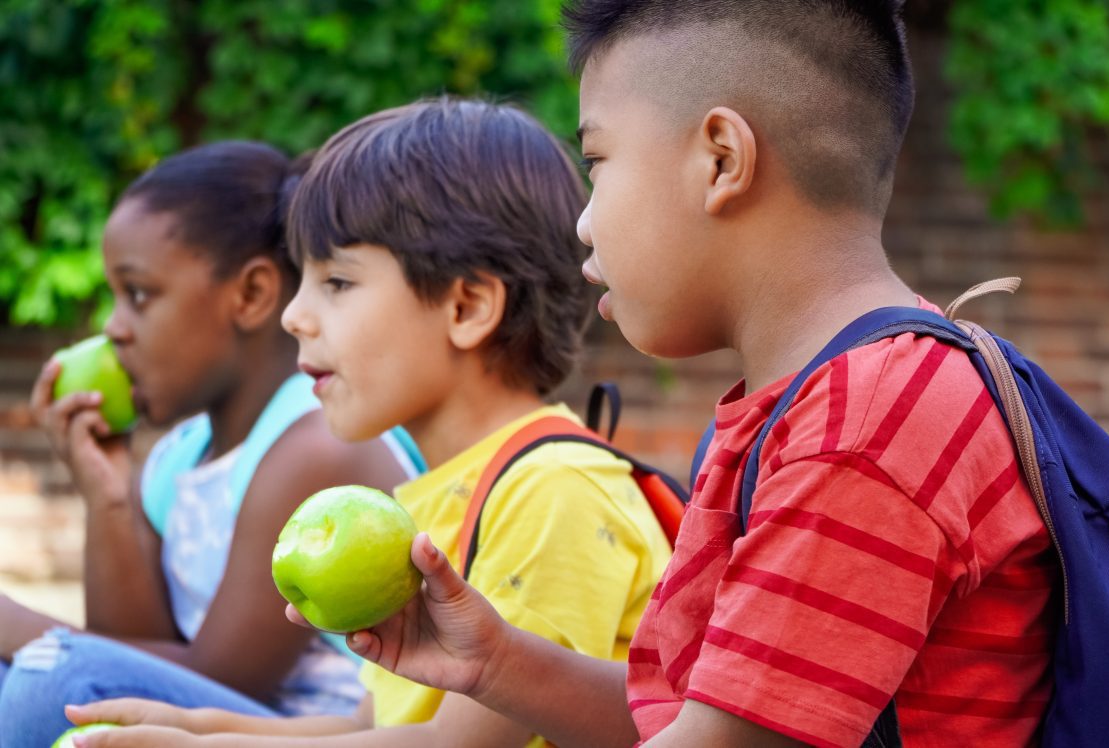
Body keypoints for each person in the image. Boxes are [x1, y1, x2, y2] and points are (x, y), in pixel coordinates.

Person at [74, 3, 1064, 747]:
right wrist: (497, 663)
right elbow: (678, 721)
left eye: (598, 163)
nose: (582, 220)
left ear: (720, 159)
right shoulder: (799, 409)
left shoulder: (868, 417)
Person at [64, 97, 673, 747]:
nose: (295, 316)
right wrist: (195, 724)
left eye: (337, 283)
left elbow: (453, 746)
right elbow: (371, 726)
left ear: (466, 307)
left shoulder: (553, 490)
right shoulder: (437, 494)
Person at [0, 141, 423, 748]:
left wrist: (24, 626)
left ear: (250, 296)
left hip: (309, 733)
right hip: (217, 719)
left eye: (139, 294)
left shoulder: (313, 443)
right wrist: (108, 496)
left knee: (55, 677)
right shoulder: (181, 453)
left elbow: (227, 676)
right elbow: (137, 654)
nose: (113, 327)